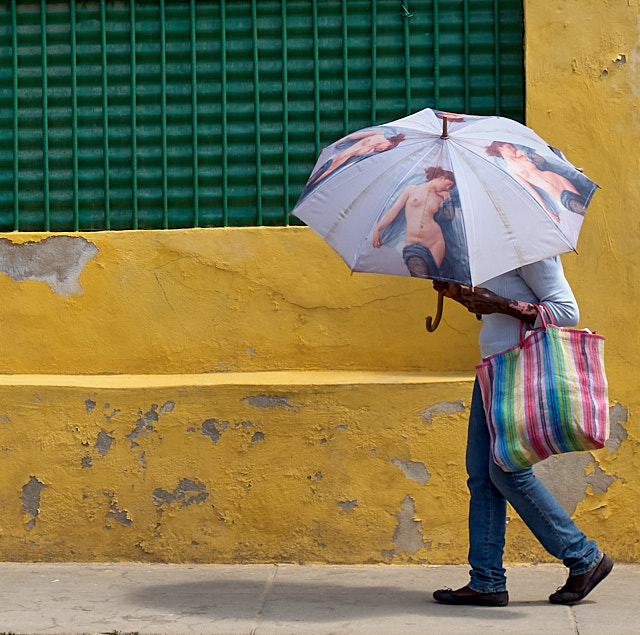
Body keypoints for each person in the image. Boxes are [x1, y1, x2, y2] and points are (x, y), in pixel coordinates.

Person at [431, 256, 613, 607]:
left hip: (518, 372)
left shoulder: (530, 248)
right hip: (493, 370)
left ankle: (583, 557)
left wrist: (502, 304)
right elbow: (499, 313)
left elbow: (566, 311)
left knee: (507, 471)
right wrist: (462, 297)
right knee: (482, 475)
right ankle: (486, 580)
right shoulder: (491, 248)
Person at [372, 167, 456, 279]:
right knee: (420, 277)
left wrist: (448, 199)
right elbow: (393, 210)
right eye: (448, 184)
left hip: (436, 243)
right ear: (441, 178)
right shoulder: (411, 190)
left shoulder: (441, 197)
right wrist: (377, 229)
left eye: (450, 187)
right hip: (414, 244)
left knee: (433, 279)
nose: (447, 188)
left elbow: (449, 217)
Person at [485, 141, 588, 221]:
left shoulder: (523, 154)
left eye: (512, 145)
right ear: (500, 149)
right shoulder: (511, 169)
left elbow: (543, 161)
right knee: (578, 207)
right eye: (509, 147)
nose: (513, 148)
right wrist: (547, 211)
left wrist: (527, 155)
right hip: (554, 191)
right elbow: (531, 190)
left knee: (586, 204)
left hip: (558, 179)